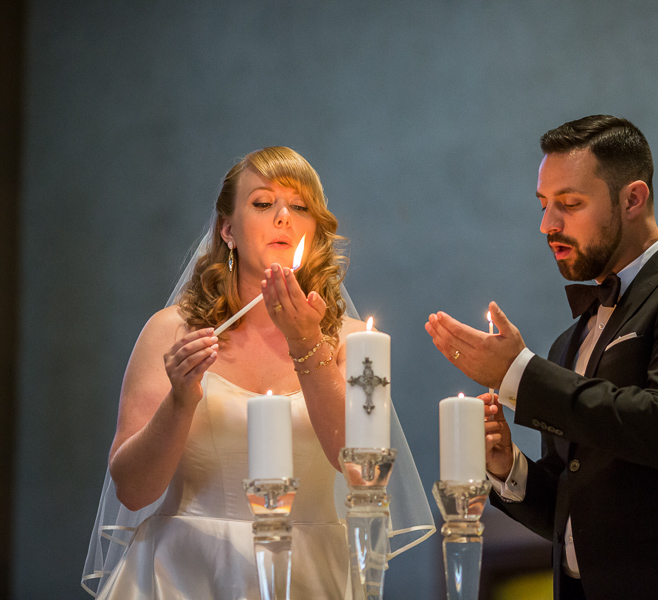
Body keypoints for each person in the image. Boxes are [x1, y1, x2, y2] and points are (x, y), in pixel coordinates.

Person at [425, 115, 658, 599]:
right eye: (544, 205)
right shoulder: (570, 341)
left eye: (569, 204)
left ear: (633, 199)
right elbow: (573, 514)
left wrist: (517, 373)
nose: (548, 225)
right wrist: (507, 467)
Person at [82, 147, 433, 599]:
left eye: (300, 206)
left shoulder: (351, 342)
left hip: (309, 569)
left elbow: (362, 471)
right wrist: (180, 399)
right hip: (184, 571)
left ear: (315, 231)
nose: (283, 216)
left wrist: (308, 346)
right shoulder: (172, 331)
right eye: (264, 203)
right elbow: (131, 490)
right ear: (228, 229)